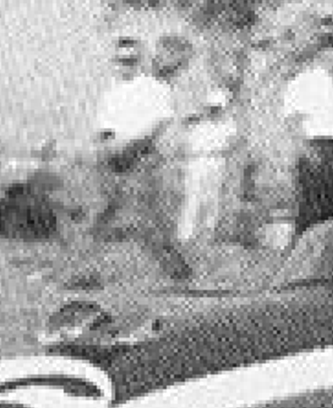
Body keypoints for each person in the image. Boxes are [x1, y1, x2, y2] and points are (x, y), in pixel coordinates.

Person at [89, 34, 186, 279]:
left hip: (141, 158)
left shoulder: (156, 88)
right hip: (111, 159)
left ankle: (177, 270)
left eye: (131, 60)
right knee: (98, 215)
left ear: (140, 60)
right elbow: (104, 129)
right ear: (115, 61)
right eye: (121, 60)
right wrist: (109, 148)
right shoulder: (110, 93)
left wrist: (131, 146)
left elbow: (159, 123)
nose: (126, 65)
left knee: (146, 220)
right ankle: (81, 269)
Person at [281, 29, 333, 235]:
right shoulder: (304, 81)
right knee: (312, 211)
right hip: (315, 149)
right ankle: (301, 252)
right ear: (322, 55)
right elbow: (293, 121)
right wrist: (306, 152)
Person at [175, 88, 243, 255]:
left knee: (212, 200)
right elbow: (183, 141)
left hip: (217, 161)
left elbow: (236, 141)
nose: (214, 111)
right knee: (193, 199)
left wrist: (225, 149)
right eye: (212, 108)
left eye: (218, 108)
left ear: (223, 108)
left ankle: (207, 236)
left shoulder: (228, 124)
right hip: (197, 162)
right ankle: (185, 237)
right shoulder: (196, 123)